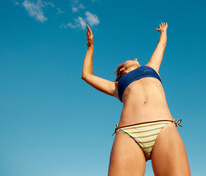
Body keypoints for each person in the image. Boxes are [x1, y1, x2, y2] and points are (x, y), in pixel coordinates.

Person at [81, 22, 191, 176]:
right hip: (129, 133)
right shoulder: (116, 86)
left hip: (163, 128)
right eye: (130, 59)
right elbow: (86, 75)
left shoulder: (151, 68)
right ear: (122, 69)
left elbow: (162, 44)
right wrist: (90, 47)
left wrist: (163, 31)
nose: (135, 58)